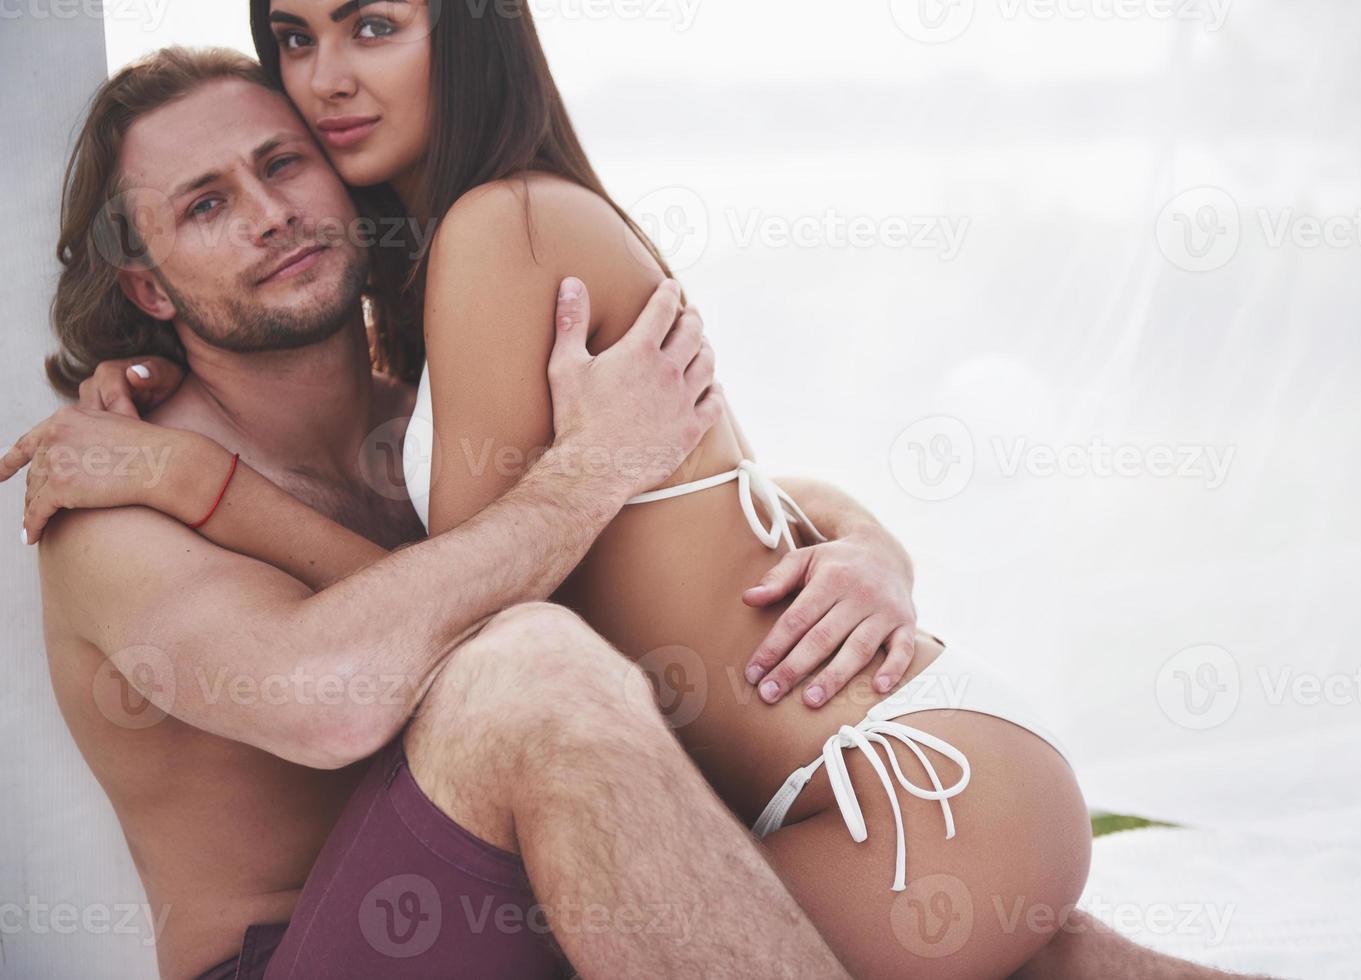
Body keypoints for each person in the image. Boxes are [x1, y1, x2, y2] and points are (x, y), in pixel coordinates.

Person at [5, 47, 929, 980]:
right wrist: (592, 469)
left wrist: (863, 542)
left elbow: (689, 511)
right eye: (206, 204)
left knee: (1052, 946)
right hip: (299, 955)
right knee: (527, 665)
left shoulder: (427, 427)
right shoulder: (113, 495)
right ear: (150, 288)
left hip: (555, 918)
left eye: (282, 164)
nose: (270, 213)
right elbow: (323, 704)